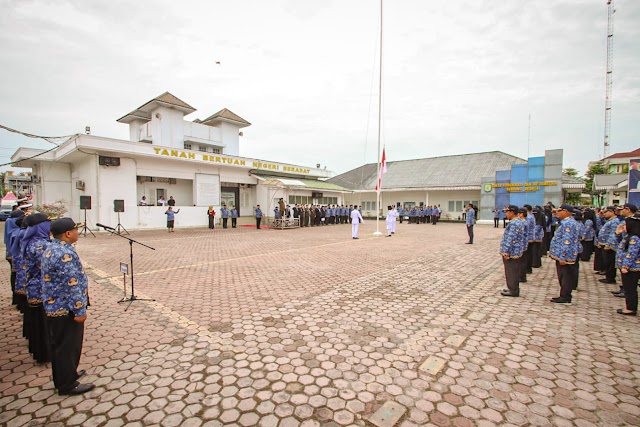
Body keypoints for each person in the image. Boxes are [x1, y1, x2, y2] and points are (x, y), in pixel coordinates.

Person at [42, 217, 94, 395]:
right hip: (66, 309)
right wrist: (80, 310)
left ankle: (66, 375)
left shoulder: (53, 248)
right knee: (67, 347)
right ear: (68, 234)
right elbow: (70, 284)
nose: (77, 232)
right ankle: (67, 384)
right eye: (75, 230)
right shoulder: (64, 254)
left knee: (61, 346)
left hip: (56, 307)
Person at [22, 213, 52, 363]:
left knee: (38, 324)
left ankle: (39, 352)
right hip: (41, 290)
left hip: (34, 289)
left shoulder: (33, 242)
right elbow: (49, 267)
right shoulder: (40, 245)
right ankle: (45, 354)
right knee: (43, 325)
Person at [549, 204, 580, 304]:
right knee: (563, 276)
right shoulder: (567, 222)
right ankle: (564, 294)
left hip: (565, 256)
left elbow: (567, 241)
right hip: (564, 254)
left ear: (566, 211)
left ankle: (565, 296)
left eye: (560, 211)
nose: (557, 212)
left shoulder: (568, 224)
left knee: (565, 276)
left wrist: (563, 256)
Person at [614, 213, 640, 315]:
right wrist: (618, 233)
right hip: (628, 267)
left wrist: (626, 266)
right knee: (628, 287)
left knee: (630, 288)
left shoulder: (635, 238)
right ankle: (629, 306)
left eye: (625, 225)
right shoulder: (629, 236)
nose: (624, 226)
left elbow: (631, 254)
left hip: (631, 268)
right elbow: (620, 245)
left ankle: (631, 308)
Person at [500, 205, 526, 297]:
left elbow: (511, 238)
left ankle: (513, 290)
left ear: (511, 212)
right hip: (516, 250)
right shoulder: (519, 221)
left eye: (507, 212)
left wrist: (506, 251)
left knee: (511, 271)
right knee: (513, 270)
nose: (506, 214)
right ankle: (512, 287)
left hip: (512, 252)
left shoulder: (514, 223)